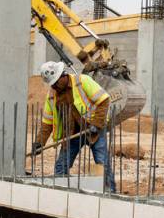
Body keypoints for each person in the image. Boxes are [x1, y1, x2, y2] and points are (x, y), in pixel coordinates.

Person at [36, 61, 115, 192]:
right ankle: (61, 195)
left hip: (93, 130)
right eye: (52, 84)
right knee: (61, 167)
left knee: (102, 164)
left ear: (63, 75)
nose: (54, 86)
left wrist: (96, 124)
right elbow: (47, 122)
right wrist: (39, 143)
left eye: (56, 82)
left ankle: (111, 193)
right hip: (72, 134)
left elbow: (104, 100)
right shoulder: (52, 96)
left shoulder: (82, 81)